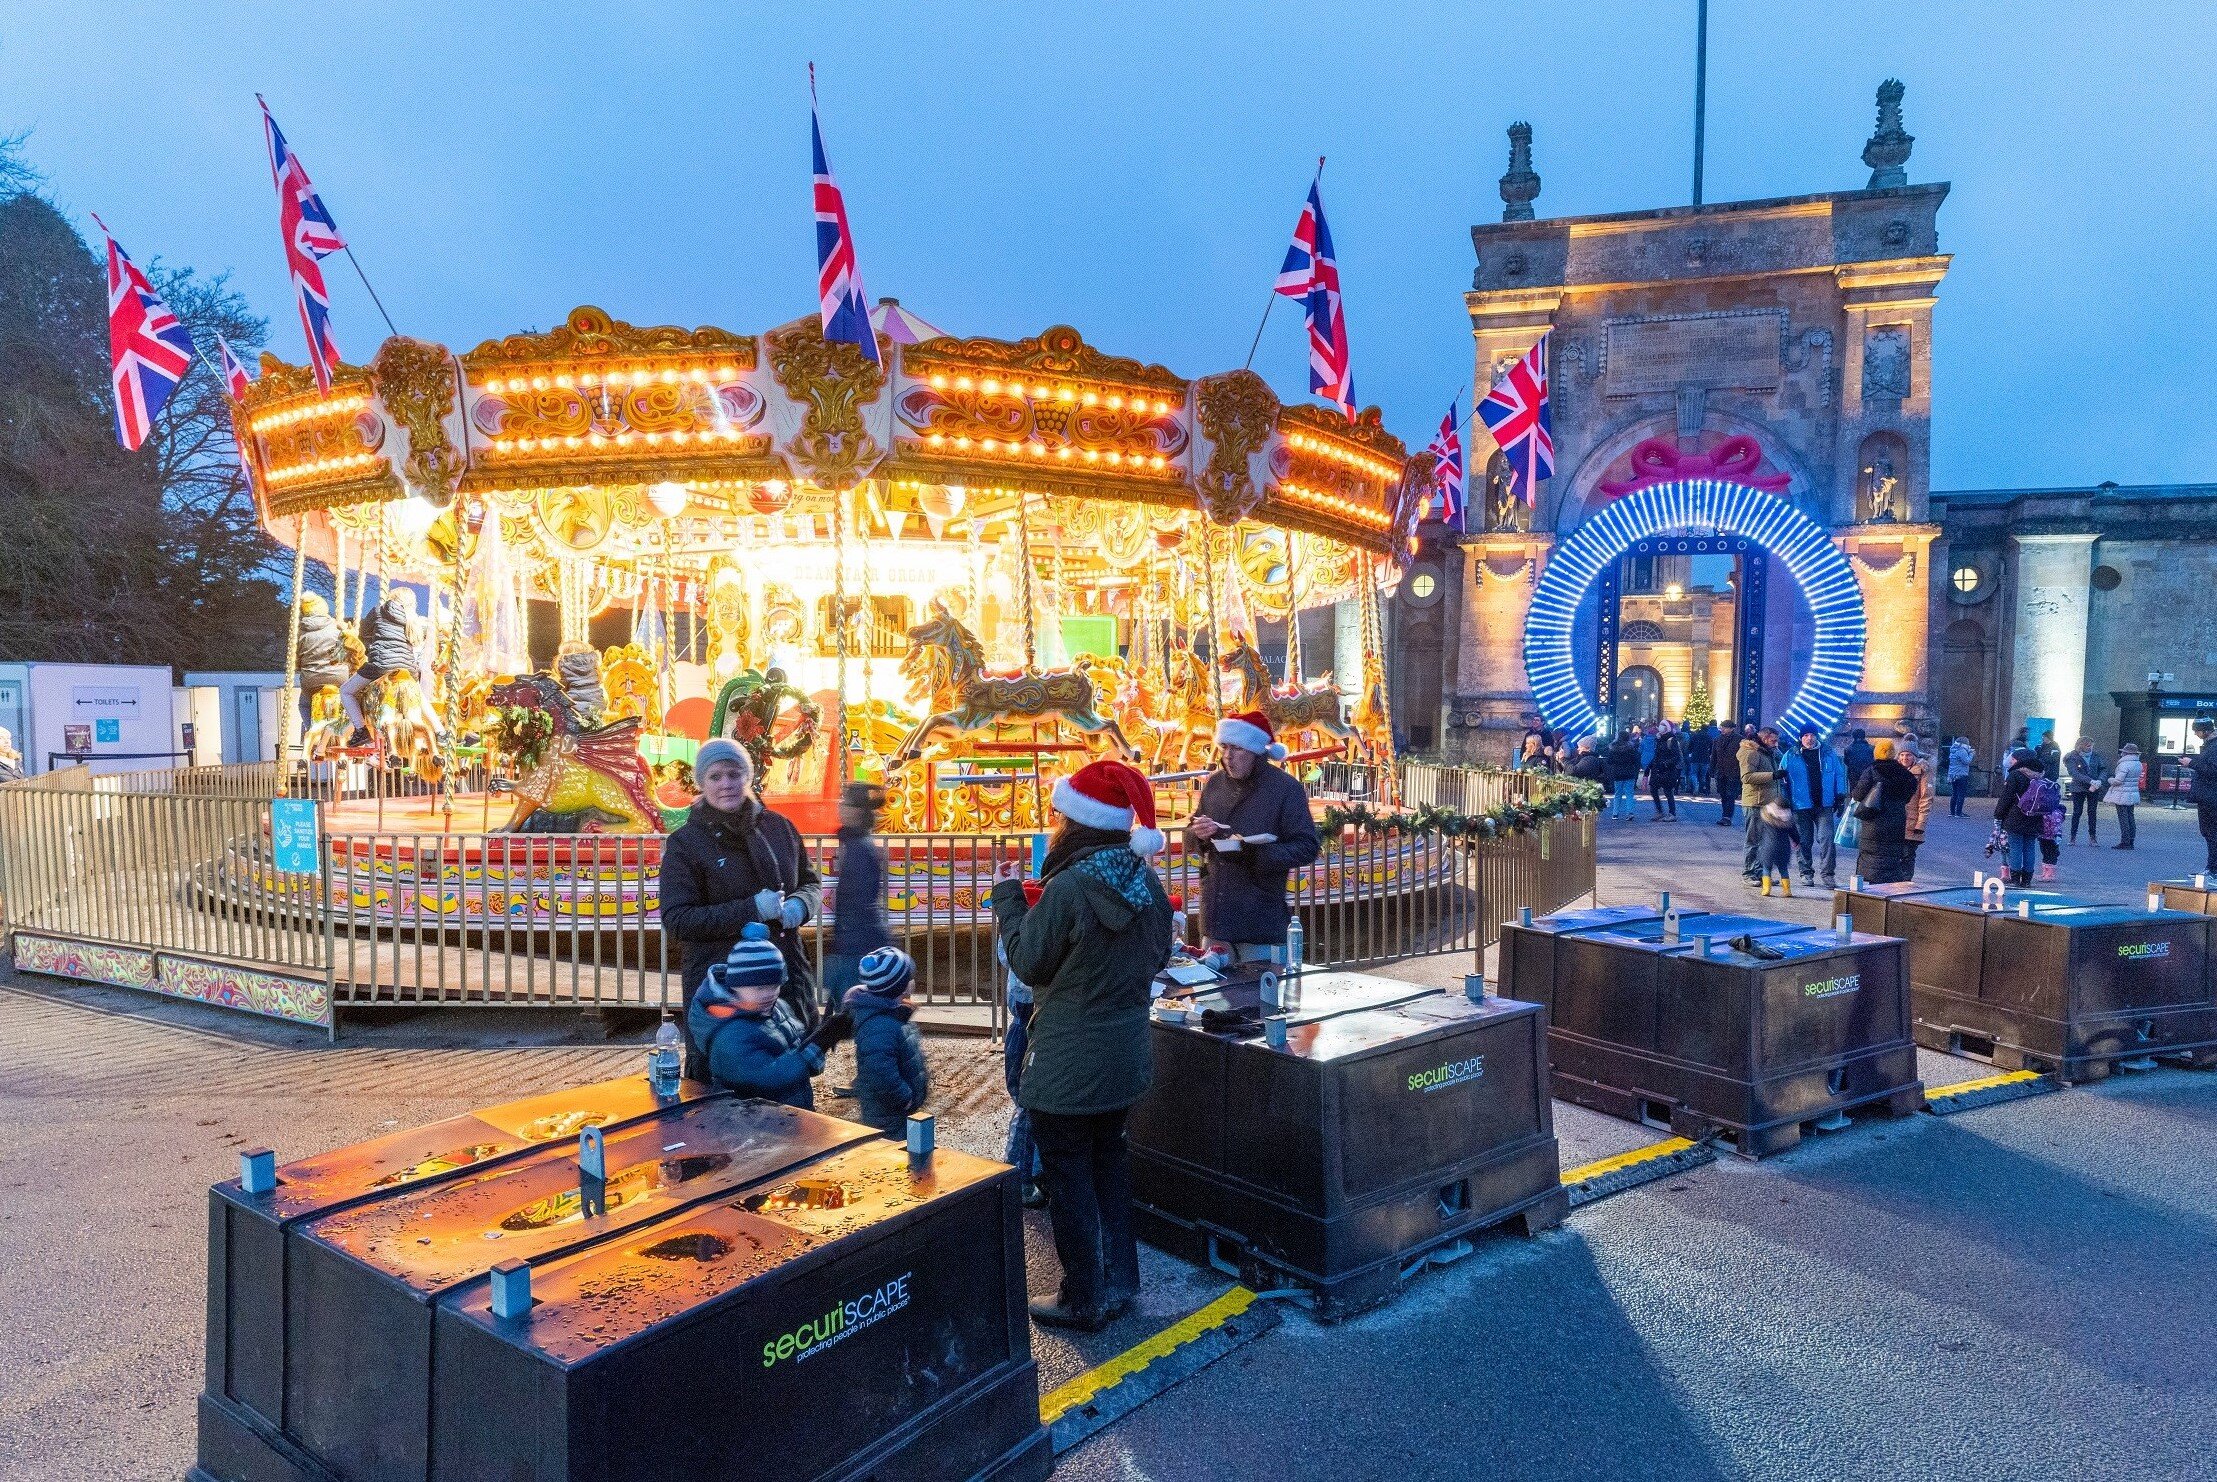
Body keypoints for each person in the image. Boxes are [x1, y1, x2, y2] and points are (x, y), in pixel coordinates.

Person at [990, 758, 1173, 1331]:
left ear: (1076, 822)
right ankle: (1120, 1279)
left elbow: (1029, 958)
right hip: (1125, 1056)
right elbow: (1159, 956)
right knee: (1110, 1166)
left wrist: (1009, 901)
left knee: (1068, 1178)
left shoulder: (1070, 887)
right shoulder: (1145, 882)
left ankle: (1082, 1298)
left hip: (1068, 1064)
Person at [660, 737, 823, 1079]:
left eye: (734, 774)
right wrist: (751, 910)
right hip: (724, 983)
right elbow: (678, 920)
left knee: (789, 1072)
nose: (726, 785)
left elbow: (810, 882)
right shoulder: (686, 844)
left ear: (747, 776)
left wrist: (800, 905)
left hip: (784, 972)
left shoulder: (779, 828)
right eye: (715, 777)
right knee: (728, 1081)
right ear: (701, 783)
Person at [1188, 710, 1321, 964]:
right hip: (1217, 921)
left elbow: (1307, 845)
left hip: (1260, 919)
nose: (1228, 756)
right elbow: (1193, 831)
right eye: (1224, 747)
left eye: (1237, 749)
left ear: (1255, 751)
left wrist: (1258, 854)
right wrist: (1199, 834)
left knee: (1261, 996)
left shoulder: (1284, 789)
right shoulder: (1215, 784)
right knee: (1214, 998)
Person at [688, 923, 850, 1107]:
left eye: (775, 986)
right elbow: (771, 1077)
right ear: (735, 985)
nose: (769, 994)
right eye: (760, 988)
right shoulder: (729, 1034)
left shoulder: (776, 1007)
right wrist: (820, 1042)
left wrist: (824, 1035)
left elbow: (798, 1054)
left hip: (789, 1113)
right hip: (754, 1124)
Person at [843, 944, 930, 1136]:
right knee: (891, 1154)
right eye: (909, 979)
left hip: (896, 1110)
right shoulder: (880, 1025)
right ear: (900, 987)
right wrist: (904, 1097)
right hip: (888, 1113)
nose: (912, 982)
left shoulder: (893, 1015)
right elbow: (880, 1070)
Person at [824, 781, 890, 1009]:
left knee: (855, 1005)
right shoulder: (854, 843)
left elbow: (860, 898)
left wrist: (847, 934)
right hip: (854, 934)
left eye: (846, 804)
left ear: (858, 812)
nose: (840, 808)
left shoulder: (859, 847)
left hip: (858, 937)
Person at [339, 588, 429, 745]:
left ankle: (361, 730)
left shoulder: (379, 610)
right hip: (408, 668)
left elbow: (363, 635)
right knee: (418, 696)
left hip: (380, 666)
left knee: (346, 691)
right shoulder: (413, 618)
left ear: (392, 598)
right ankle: (439, 730)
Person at [1784, 725, 1850, 890]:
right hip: (1800, 805)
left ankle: (1828, 875)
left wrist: (1840, 796)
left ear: (1817, 736)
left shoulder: (1828, 753)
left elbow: (1839, 774)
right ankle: (1806, 872)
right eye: (1805, 735)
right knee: (1803, 841)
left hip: (1824, 805)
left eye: (1812, 735)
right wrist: (1785, 802)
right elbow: (1782, 779)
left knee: (1827, 840)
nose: (1809, 738)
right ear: (1801, 738)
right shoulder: (1791, 755)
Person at [1850, 739, 1917, 884]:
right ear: (1894, 754)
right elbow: (1910, 791)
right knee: (1892, 854)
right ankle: (1888, 885)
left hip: (1873, 821)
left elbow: (1857, 795)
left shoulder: (1871, 771)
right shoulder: (1904, 774)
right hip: (1896, 822)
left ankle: (1869, 886)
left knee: (1870, 854)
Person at [1994, 748, 2051, 887]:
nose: (2012, 761)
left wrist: (1998, 814)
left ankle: (2015, 878)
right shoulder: (2040, 775)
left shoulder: (2016, 775)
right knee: (2030, 847)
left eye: (2014, 759)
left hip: (2016, 816)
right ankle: (2027, 880)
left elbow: (2006, 797)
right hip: (2035, 816)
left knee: (2015, 847)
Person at [293, 592, 352, 726]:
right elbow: (352, 648)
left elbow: (297, 662)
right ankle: (354, 729)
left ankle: (310, 728)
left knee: (304, 704)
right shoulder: (338, 627)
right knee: (351, 697)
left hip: (312, 680)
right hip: (339, 678)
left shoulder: (300, 633)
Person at [1738, 724, 1784, 885]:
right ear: (1764, 738)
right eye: (1773, 740)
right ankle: (1749, 872)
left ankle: (1760, 872)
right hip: (1755, 803)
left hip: (1768, 802)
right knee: (1753, 840)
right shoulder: (1751, 752)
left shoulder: (1768, 752)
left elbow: (1782, 761)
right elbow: (1747, 777)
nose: (1776, 743)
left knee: (1765, 841)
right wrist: (1773, 775)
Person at [2063, 737, 2109, 845]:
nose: (2091, 748)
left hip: (2094, 787)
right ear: (2081, 746)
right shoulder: (2072, 757)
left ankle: (2093, 837)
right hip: (2078, 788)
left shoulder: (2096, 755)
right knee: (2077, 812)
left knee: (2092, 812)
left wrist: (2100, 780)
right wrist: (2091, 781)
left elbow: (2103, 769)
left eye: (2092, 745)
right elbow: (2074, 773)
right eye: (2088, 746)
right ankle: (2073, 837)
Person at [1899, 738, 1932, 878]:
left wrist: (1921, 823)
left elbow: (1926, 798)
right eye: (1902, 755)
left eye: (1908, 755)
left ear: (1914, 756)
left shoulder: (1922, 772)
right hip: (1896, 820)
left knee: (1907, 855)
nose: (1905, 758)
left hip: (1912, 821)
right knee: (1896, 855)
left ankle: (1905, 884)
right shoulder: (1895, 770)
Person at [2190, 718, 2217, 873]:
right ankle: (2211, 867)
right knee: (2208, 832)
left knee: (2211, 832)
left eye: (2197, 730)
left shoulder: (2213, 747)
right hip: (2208, 795)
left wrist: (2192, 763)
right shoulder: (2210, 746)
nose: (2195, 733)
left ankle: (2212, 869)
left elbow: (2213, 770)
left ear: (2206, 731)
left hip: (2211, 796)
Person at [2109, 741, 2144, 850]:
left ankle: (2125, 841)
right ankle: (2131, 840)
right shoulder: (2138, 764)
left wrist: (2110, 779)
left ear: (2126, 753)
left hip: (2122, 793)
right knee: (2130, 816)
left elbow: (2118, 780)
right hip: (2133, 792)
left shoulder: (2124, 764)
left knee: (2123, 818)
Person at [1604, 726, 1642, 821]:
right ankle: (1629, 812)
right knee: (1629, 794)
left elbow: (1609, 761)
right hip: (1629, 773)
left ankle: (1615, 813)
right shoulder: (1631, 748)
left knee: (1617, 794)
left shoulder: (1613, 748)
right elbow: (1636, 760)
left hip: (1617, 774)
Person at [1648, 720, 1683, 820]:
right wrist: (1649, 767)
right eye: (1660, 724)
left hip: (1668, 770)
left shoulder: (1672, 740)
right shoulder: (1659, 739)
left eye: (1663, 725)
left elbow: (1676, 757)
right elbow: (1657, 755)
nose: (1661, 726)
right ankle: (1659, 811)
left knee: (1668, 792)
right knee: (1653, 789)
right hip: (1657, 769)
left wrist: (1665, 764)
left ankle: (1672, 814)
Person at [1711, 720, 1742, 827]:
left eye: (1725, 727)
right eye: (1722, 727)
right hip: (1721, 772)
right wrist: (1712, 770)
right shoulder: (1718, 740)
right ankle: (1724, 816)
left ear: (1732, 728)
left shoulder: (1739, 740)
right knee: (1723, 795)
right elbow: (1714, 756)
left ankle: (1727, 817)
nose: (1722, 729)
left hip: (1733, 772)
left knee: (1730, 795)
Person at [1946, 736, 1976, 816]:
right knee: (1961, 794)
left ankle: (1952, 812)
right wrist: (1971, 754)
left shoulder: (1953, 750)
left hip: (1953, 774)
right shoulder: (1962, 750)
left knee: (1954, 793)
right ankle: (1958, 813)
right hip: (1961, 774)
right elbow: (1967, 761)